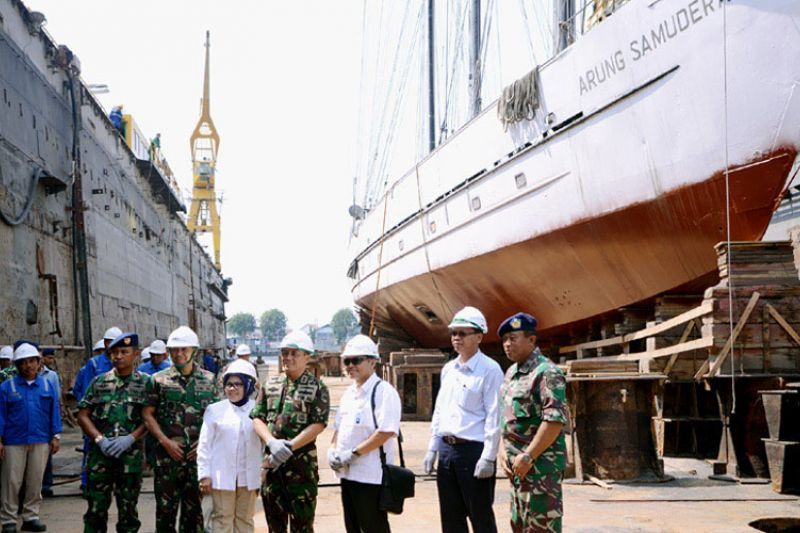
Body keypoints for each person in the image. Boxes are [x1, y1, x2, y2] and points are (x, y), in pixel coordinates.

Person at [423, 306, 504, 533]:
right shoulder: (449, 369)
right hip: (447, 451)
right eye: (454, 333)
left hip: (473, 451)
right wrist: (433, 448)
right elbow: (440, 410)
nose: (456, 338)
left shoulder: (490, 370)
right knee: (451, 518)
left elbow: (494, 416)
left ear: (479, 337)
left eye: (462, 333)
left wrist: (489, 456)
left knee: (481, 517)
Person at [251, 330, 329, 533]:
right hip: (272, 470)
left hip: (301, 471)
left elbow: (318, 423)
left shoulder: (316, 387)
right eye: (285, 353)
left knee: (302, 527)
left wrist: (290, 446)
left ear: (307, 357)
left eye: (295, 353)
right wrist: (271, 443)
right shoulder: (270, 384)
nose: (288, 358)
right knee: (274, 527)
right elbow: (257, 417)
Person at [497, 313, 568, 533]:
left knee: (542, 528)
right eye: (505, 339)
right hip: (518, 471)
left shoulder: (547, 373)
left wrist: (528, 456)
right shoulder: (512, 373)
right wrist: (502, 451)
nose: (507, 344)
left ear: (532, 340)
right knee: (520, 526)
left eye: (513, 338)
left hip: (540, 471)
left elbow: (554, 421)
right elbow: (506, 417)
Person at [143, 326, 216, 532]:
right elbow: (147, 414)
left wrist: (204, 445)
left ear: (194, 351)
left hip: (196, 460)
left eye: (184, 349)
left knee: (193, 515)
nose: (179, 354)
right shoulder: (157, 380)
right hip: (167, 459)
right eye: (174, 350)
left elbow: (217, 419)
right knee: (165, 513)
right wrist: (165, 442)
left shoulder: (210, 381)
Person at [76, 332, 151, 533]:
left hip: (130, 459)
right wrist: (99, 439)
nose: (118, 356)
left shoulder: (146, 383)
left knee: (128, 513)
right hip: (100, 459)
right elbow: (83, 415)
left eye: (124, 352)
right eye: (114, 352)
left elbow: (150, 418)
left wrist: (131, 438)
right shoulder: (99, 382)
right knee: (95, 512)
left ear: (136, 354)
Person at [328, 335, 401, 533]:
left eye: (356, 360)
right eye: (347, 361)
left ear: (372, 361)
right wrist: (333, 450)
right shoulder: (349, 394)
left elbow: (385, 431)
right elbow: (339, 428)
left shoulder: (383, 392)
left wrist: (353, 453)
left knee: (373, 527)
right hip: (347, 474)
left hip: (371, 476)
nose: (350, 365)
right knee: (352, 527)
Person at [0, 343, 61, 533]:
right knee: (11, 481)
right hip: (14, 440)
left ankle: (31, 516)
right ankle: (8, 520)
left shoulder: (46, 384)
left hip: (40, 439)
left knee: (35, 480)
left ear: (38, 362)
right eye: (23, 362)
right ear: (17, 365)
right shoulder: (6, 387)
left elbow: (54, 411)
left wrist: (56, 435)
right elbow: (0, 414)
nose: (28, 366)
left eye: (32, 361)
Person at [197, 359, 262, 533]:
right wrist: (204, 475)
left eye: (238, 384)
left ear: (248, 385)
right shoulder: (215, 410)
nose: (232, 389)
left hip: (248, 478)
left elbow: (264, 444)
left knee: (245, 521)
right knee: (222, 520)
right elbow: (205, 445)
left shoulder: (258, 410)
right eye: (229, 384)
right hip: (221, 476)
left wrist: (264, 472)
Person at [73, 327, 122, 401]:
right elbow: (86, 390)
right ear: (104, 343)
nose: (110, 345)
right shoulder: (94, 363)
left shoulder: (123, 362)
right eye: (108, 342)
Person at [38, 349, 61, 500]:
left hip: (45, 421)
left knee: (46, 455)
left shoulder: (51, 376)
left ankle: (46, 485)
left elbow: (56, 400)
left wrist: (56, 433)